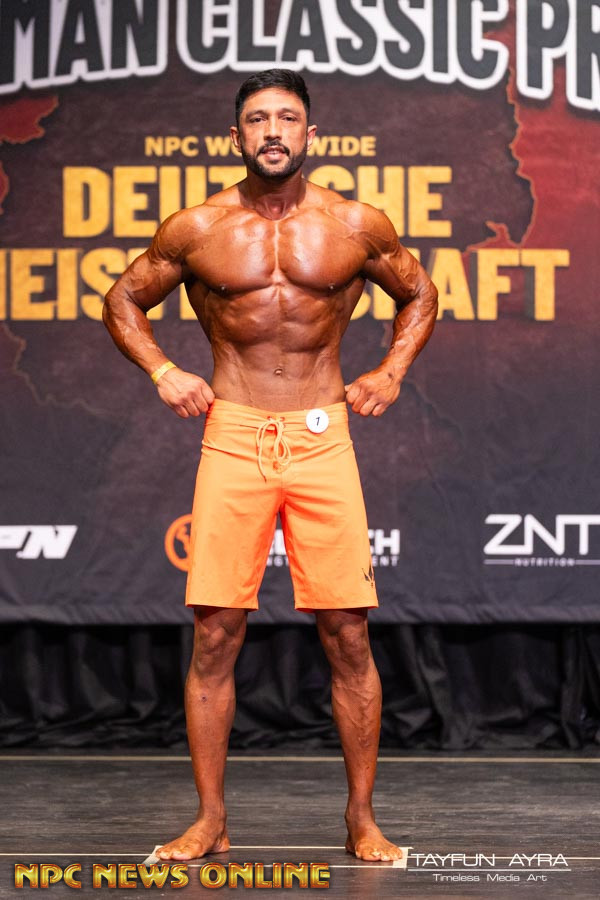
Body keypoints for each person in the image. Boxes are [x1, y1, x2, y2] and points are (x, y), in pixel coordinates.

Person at [103, 69, 438, 863]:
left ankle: (362, 819)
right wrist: (163, 371)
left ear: (311, 134)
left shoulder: (355, 223)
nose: (273, 131)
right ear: (236, 136)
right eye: (257, 120)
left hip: (323, 438)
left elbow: (419, 295)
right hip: (234, 434)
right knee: (215, 633)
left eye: (287, 118)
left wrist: (392, 371)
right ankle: (210, 820)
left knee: (347, 632)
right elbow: (122, 299)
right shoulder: (197, 228)